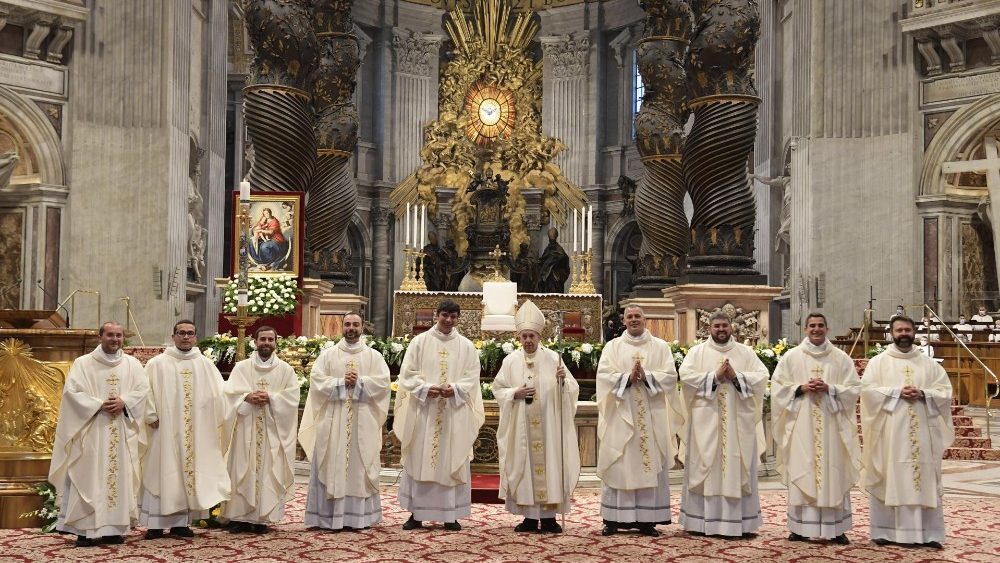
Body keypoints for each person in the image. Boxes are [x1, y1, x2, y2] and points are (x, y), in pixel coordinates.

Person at [49, 321, 150, 547]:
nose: (115, 339)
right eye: (110, 335)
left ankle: (114, 529)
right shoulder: (84, 363)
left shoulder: (132, 364)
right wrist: (97, 404)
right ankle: (85, 530)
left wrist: (125, 402)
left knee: (119, 476)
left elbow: (143, 390)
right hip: (91, 431)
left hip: (121, 429)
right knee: (88, 476)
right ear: (100, 337)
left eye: (119, 335)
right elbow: (72, 392)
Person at [860, 315, 954, 548]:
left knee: (924, 477)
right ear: (891, 333)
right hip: (890, 434)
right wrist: (896, 392)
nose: (904, 334)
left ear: (914, 332)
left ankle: (929, 534)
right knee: (889, 476)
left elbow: (945, 392)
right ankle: (885, 531)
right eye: (899, 330)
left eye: (908, 330)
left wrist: (923, 394)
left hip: (923, 434)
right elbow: (868, 392)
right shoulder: (879, 362)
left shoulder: (929, 364)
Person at [393, 300, 485, 531]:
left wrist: (455, 388)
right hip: (425, 411)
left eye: (454, 317)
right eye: (445, 315)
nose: (449, 320)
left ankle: (450, 514)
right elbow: (407, 373)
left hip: (453, 413)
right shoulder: (420, 342)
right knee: (420, 458)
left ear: (458, 319)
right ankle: (416, 514)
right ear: (436, 315)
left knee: (450, 458)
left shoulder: (466, 346)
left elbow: (472, 376)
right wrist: (425, 388)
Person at [770, 313, 861, 545]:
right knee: (803, 468)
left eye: (821, 325)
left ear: (827, 328)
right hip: (801, 424)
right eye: (812, 326)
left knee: (833, 471)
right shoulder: (791, 357)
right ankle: (799, 528)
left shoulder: (841, 359)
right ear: (805, 329)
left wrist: (830, 388)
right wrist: (801, 388)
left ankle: (836, 528)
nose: (816, 329)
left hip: (832, 425)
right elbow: (778, 388)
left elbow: (853, 389)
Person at [678, 311, 769, 537]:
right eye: (716, 326)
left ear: (732, 328)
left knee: (736, 467)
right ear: (709, 328)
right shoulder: (697, 353)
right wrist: (715, 376)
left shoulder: (746, 353)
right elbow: (685, 376)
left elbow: (761, 376)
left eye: (724, 326)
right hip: (705, 422)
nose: (721, 330)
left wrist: (737, 377)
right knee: (706, 466)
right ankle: (701, 522)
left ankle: (741, 523)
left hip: (738, 422)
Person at [492, 300, 580, 533]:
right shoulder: (510, 361)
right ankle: (529, 518)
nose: (528, 340)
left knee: (550, 466)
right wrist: (515, 393)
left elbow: (572, 389)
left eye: (532, 335)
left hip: (549, 428)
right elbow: (498, 389)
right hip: (521, 428)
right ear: (518, 337)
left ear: (539, 336)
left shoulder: (553, 358)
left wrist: (564, 382)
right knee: (524, 467)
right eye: (524, 336)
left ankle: (549, 518)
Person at [299, 313, 391, 531]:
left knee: (360, 466)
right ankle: (327, 518)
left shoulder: (373, 357)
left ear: (362, 328)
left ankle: (360, 518)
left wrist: (361, 382)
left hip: (363, 420)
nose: (351, 328)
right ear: (342, 327)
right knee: (331, 462)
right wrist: (341, 382)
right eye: (348, 324)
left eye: (356, 325)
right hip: (333, 422)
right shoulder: (328, 355)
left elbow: (384, 384)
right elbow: (317, 381)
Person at [140, 320, 231, 539]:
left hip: (196, 431)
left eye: (190, 333)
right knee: (163, 471)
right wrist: (150, 413)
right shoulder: (157, 363)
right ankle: (155, 524)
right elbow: (144, 390)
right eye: (181, 333)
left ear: (196, 337)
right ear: (173, 336)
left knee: (189, 474)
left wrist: (211, 417)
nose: (186, 337)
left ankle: (181, 524)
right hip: (164, 430)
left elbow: (220, 395)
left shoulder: (205, 365)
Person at [595, 305, 679, 537]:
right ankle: (613, 519)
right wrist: (627, 379)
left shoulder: (660, 347)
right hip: (620, 417)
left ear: (645, 319)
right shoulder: (613, 347)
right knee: (619, 462)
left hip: (651, 418)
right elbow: (602, 376)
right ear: (624, 320)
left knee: (648, 461)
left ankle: (647, 520)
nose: (633, 320)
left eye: (637, 317)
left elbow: (671, 377)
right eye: (629, 317)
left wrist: (647, 376)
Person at [221, 326, 299, 534]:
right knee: (242, 470)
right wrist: (245, 397)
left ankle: (262, 518)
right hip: (245, 428)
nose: (266, 343)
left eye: (270, 339)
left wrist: (271, 398)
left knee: (267, 470)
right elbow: (228, 394)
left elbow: (292, 398)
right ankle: (239, 518)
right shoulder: (242, 367)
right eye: (262, 339)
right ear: (254, 342)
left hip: (271, 430)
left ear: (276, 342)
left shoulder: (285, 370)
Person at [538, 227, 571, 293]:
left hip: (555, 278)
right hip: (547, 279)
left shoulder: (559, 250)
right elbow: (543, 260)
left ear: (556, 236)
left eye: (552, 235)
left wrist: (553, 263)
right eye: (550, 235)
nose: (551, 237)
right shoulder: (548, 248)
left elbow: (565, 263)